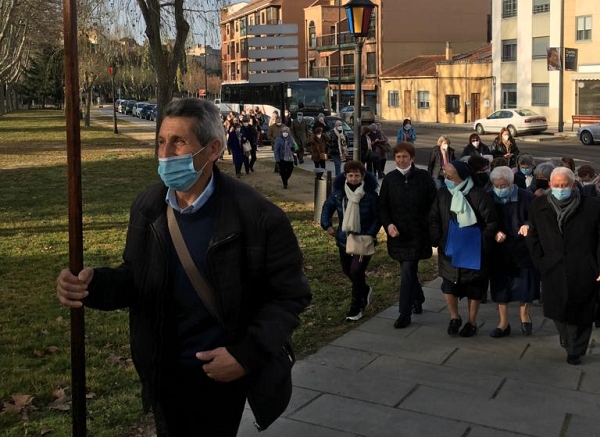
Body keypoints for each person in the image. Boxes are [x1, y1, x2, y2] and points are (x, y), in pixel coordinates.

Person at [56, 98, 311, 436]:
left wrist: (245, 355)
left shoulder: (258, 217)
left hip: (219, 374)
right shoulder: (148, 207)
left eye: (178, 142)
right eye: (161, 141)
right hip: (164, 372)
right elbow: (136, 278)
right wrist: (92, 284)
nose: (166, 152)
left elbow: (289, 296)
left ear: (213, 149)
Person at [527, 167, 600, 365]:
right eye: (557, 185)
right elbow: (533, 235)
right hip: (553, 266)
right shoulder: (539, 205)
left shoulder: (592, 206)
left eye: (565, 185)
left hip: (583, 267)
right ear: (550, 185)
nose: (561, 189)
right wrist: (540, 261)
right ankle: (568, 339)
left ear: (573, 185)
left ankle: (576, 349)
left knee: (583, 311)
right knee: (557, 309)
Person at [429, 160, 498, 337]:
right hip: (449, 249)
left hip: (474, 252)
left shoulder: (478, 194)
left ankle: (471, 322)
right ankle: (455, 317)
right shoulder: (444, 193)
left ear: (460, 175)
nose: (446, 176)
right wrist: (437, 238)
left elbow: (491, 222)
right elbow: (434, 217)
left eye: (449, 174)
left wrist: (480, 243)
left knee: (474, 289)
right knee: (448, 286)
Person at [379, 142, 437, 329]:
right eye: (398, 157)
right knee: (409, 272)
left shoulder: (423, 177)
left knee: (407, 272)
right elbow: (383, 207)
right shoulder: (390, 179)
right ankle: (418, 297)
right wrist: (388, 225)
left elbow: (433, 204)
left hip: (418, 234)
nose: (401, 160)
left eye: (405, 157)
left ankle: (404, 313)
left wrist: (429, 226)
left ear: (412, 158)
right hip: (398, 235)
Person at [320, 160, 381, 321]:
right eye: (351, 175)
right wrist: (327, 225)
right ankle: (365, 289)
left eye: (357, 176)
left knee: (356, 271)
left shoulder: (370, 195)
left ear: (363, 176)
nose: (354, 179)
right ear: (345, 176)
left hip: (363, 239)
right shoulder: (339, 193)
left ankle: (356, 307)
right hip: (344, 238)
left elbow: (378, 217)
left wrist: (370, 233)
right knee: (348, 270)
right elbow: (327, 208)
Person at [488, 166, 538, 338]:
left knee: (525, 287)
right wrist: (494, 232)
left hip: (522, 249)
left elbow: (535, 218)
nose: (500, 189)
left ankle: (524, 316)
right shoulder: (489, 197)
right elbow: (485, 220)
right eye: (496, 185)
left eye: (503, 185)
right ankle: (503, 323)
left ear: (511, 183)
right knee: (501, 287)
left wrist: (528, 225)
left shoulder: (526, 197)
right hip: (499, 250)